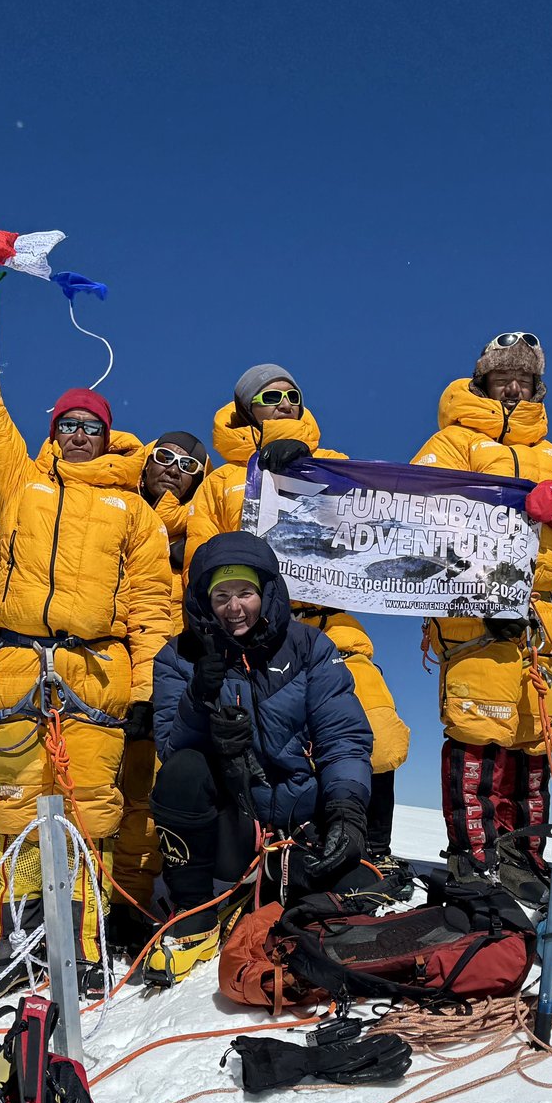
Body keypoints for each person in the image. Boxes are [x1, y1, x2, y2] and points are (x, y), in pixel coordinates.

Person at [0, 236, 173, 995]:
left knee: (91, 810)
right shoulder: (20, 483)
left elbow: (151, 607)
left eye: (90, 426)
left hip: (99, 670)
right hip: (17, 663)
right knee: (13, 805)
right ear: (52, 432)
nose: (77, 434)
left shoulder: (134, 511)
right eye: (67, 424)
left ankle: (80, 942)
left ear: (108, 435)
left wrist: (149, 688)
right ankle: (13, 940)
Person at [184, 364, 414, 898]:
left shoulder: (334, 465)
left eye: (293, 394)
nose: (285, 402)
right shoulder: (220, 482)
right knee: (266, 739)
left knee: (375, 734)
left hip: (331, 626)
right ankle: (265, 849)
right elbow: (202, 561)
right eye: (270, 397)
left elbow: (381, 523)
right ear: (246, 408)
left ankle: (370, 846)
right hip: (251, 633)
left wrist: (308, 471)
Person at [144, 533, 373, 981]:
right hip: (230, 827)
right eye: (221, 597)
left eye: (245, 593)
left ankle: (288, 884)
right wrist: (199, 700)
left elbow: (342, 737)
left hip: (299, 822)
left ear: (265, 593)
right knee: (184, 770)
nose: (234, 608)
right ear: (204, 601)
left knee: (358, 894)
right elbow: (171, 749)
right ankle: (195, 911)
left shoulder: (310, 647)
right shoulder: (177, 657)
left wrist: (347, 811)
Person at [411, 332, 552, 893]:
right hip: (473, 612)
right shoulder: (452, 440)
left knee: (533, 742)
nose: (513, 388)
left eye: (523, 379)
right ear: (482, 382)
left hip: (538, 614)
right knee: (478, 732)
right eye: (501, 378)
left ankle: (526, 860)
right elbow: (418, 510)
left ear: (537, 387)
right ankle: (476, 860)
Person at [113, 430, 210, 953]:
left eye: (188, 465)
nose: (174, 468)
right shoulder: (110, 509)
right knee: (89, 790)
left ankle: (128, 901)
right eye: (165, 457)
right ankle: (80, 899)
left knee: (145, 796)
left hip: (166, 680)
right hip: (100, 668)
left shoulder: (201, 532)